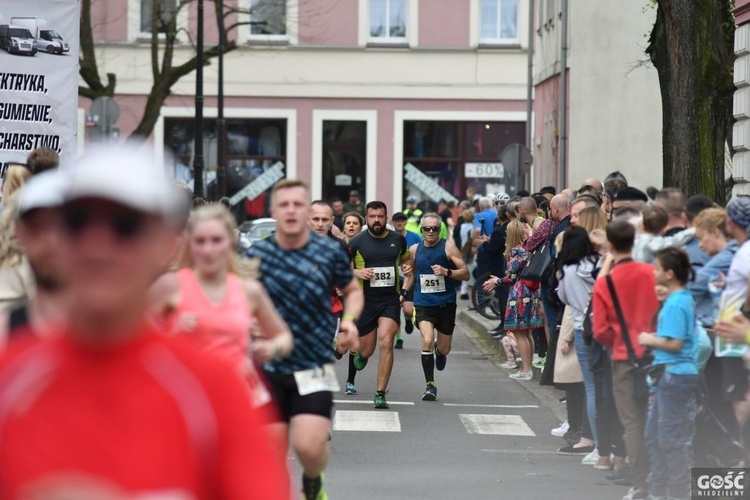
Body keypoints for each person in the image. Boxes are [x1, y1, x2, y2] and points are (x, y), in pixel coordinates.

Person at [0, 144, 290, 498]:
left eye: (125, 225)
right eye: (78, 222)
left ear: (164, 244)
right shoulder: (11, 380)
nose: (98, 243)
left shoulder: (213, 390)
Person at [245, 179, 363, 500]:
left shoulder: (328, 252)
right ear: (274, 211)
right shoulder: (257, 255)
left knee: (310, 448)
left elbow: (352, 291)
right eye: (284, 205)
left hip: (313, 362)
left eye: (298, 204)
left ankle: (313, 477)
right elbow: (235, 299)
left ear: (307, 211)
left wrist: (349, 322)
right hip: (268, 366)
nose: (291, 210)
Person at [150, 203, 294, 412]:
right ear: (189, 244)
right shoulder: (170, 286)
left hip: (240, 398)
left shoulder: (249, 290)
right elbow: (130, 341)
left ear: (231, 242)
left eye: (217, 240)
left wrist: (271, 348)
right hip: (188, 398)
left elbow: (284, 337)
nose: (208, 250)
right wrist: (169, 334)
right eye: (200, 241)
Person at [592, 219, 660, 500]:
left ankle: (641, 480)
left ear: (610, 244)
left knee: (631, 421)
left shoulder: (606, 282)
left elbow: (600, 330)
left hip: (623, 356)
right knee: (656, 417)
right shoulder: (651, 273)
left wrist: (617, 343)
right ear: (635, 241)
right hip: (655, 354)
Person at [638, 247, 698, 500]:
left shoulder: (675, 304)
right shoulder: (682, 299)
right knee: (656, 436)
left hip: (674, 374)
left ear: (670, 274)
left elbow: (674, 343)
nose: (654, 272)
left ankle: (675, 492)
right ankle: (659, 489)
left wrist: (648, 339)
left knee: (670, 439)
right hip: (672, 374)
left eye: (658, 268)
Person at [348, 201, 413, 409]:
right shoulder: (357, 242)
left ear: (386, 218)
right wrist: (357, 272)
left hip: (389, 300)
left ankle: (380, 393)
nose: (377, 220)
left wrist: (407, 270)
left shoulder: (397, 240)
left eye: (380, 216)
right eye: (373, 216)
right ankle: (362, 355)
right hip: (365, 301)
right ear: (366, 219)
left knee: (386, 342)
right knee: (366, 351)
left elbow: (407, 261)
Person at [402, 213, 469, 400]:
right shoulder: (415, 249)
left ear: (440, 229)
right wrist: (403, 291)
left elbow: (466, 274)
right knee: (427, 340)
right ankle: (430, 385)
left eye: (435, 229)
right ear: (421, 230)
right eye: (427, 229)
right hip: (423, 303)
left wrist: (447, 272)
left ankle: (440, 352)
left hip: (446, 302)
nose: (431, 232)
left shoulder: (448, 247)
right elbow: (411, 273)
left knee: (444, 347)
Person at [0, 171, 68, 341]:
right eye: (39, 228)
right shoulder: (5, 336)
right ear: (21, 234)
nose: (51, 241)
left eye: (65, 227)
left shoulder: (111, 332)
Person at [555, 226, 600, 465]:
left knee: (591, 388)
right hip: (603, 327)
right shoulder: (598, 264)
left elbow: (563, 298)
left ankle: (590, 439)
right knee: (602, 387)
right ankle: (604, 442)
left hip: (583, 328)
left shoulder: (568, 270)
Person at [483, 220, 543, 380]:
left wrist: (497, 281)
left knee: (521, 333)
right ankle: (527, 367)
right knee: (527, 333)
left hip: (520, 294)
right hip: (530, 293)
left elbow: (511, 277)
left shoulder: (516, 251)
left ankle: (526, 370)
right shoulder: (527, 249)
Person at [391, 212, 421, 349]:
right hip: (393, 279)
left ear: (406, 222)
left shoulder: (414, 237)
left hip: (409, 277)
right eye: (397, 220)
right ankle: (399, 338)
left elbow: (422, 253)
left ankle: (408, 319)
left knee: (408, 310)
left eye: (402, 220)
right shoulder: (388, 237)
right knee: (395, 310)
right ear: (392, 222)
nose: (399, 223)